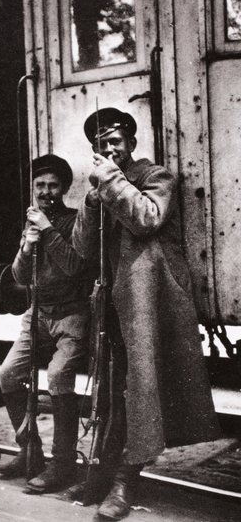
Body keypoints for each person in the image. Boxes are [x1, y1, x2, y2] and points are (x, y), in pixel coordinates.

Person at [72, 107, 220, 521]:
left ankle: (125, 481)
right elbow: (83, 248)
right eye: (101, 145)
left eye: (115, 141)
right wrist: (90, 198)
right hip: (112, 303)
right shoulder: (104, 185)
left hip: (148, 307)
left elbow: (145, 218)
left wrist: (111, 181)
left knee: (138, 391)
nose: (109, 150)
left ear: (132, 143)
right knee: (111, 390)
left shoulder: (158, 177)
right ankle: (103, 475)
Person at [0, 154, 92, 493]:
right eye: (40, 185)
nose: (46, 191)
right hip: (38, 313)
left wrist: (48, 231)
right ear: (33, 189)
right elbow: (20, 276)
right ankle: (29, 451)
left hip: (71, 314)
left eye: (53, 185)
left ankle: (62, 463)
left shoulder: (73, 220)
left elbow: (73, 266)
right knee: (8, 373)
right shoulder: (32, 223)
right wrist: (27, 245)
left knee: (57, 376)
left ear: (64, 188)